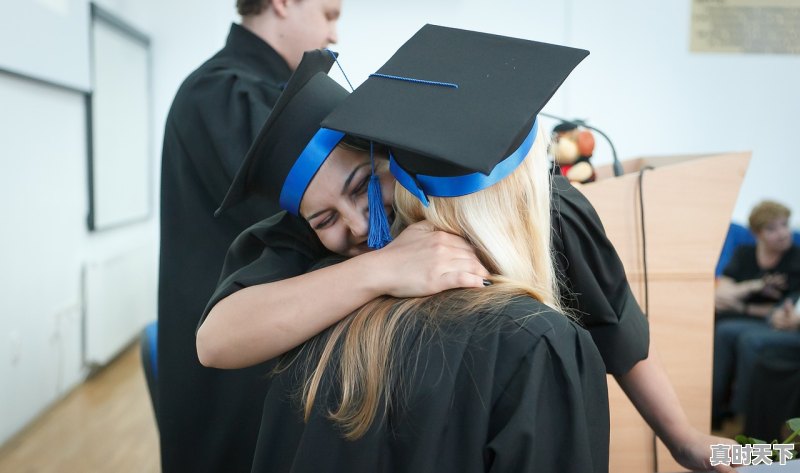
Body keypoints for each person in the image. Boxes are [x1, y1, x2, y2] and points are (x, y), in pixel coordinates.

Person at [197, 27, 739, 473]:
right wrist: (382, 269)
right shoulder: (307, 240)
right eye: (324, 219)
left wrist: (683, 439)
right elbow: (217, 341)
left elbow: (615, 320)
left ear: (389, 152)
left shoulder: (545, 208)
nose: (358, 224)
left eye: (364, 185)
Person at [157, 1, 341, 471]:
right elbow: (310, 209)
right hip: (233, 374)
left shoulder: (252, 93)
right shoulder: (222, 93)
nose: (334, 34)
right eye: (328, 14)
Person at [712, 200, 800, 428]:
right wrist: (753, 286)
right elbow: (721, 294)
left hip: (772, 322)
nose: (782, 233)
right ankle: (714, 407)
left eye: (784, 225)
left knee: (745, 338)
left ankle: (743, 413)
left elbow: (782, 311)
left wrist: (741, 303)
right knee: (721, 327)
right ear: (756, 233)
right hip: (749, 316)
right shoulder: (745, 253)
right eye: (772, 228)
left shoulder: (796, 257)